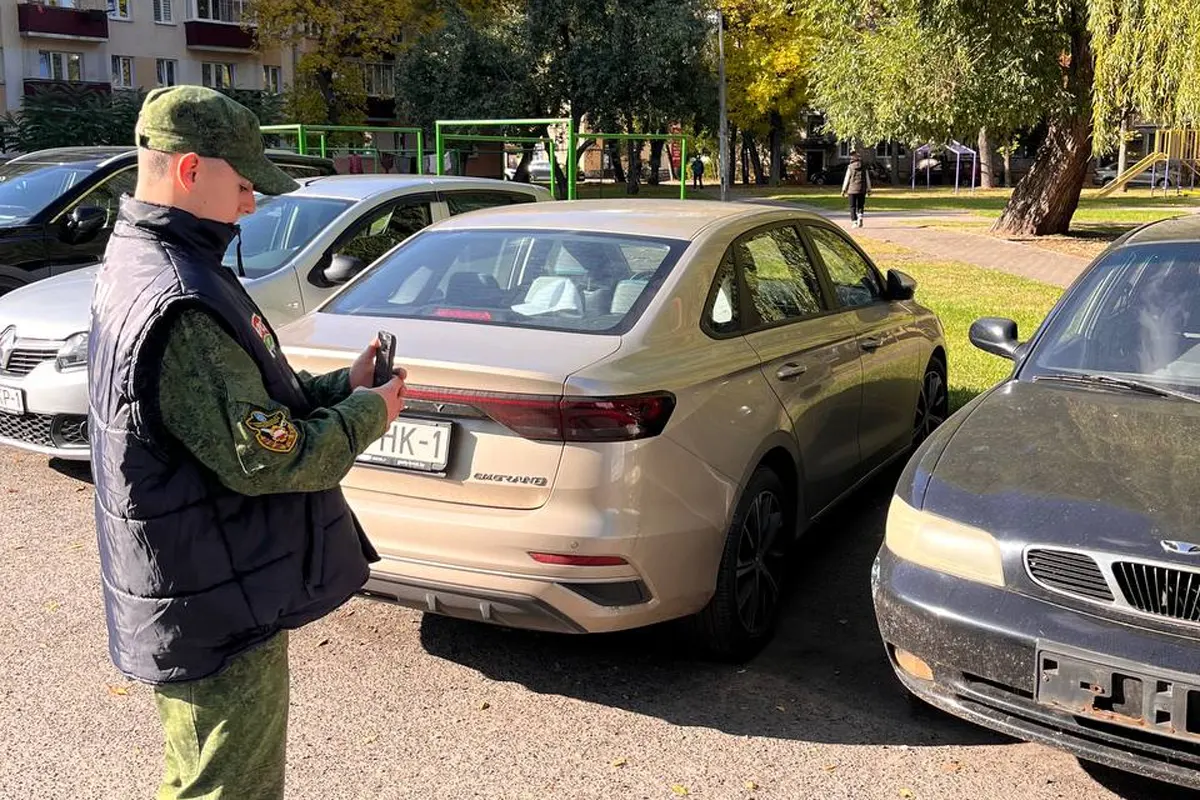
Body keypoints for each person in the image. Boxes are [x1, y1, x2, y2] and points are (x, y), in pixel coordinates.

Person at [87, 85, 408, 799]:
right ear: (191, 169)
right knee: (229, 788)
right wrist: (367, 414)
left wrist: (335, 386)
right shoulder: (180, 294)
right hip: (215, 601)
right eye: (242, 184)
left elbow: (240, 408)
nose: (252, 204)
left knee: (203, 775)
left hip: (206, 581)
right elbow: (270, 457)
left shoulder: (150, 260)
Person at [841, 151, 871, 227]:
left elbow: (847, 178)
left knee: (852, 206)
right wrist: (869, 189)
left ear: (852, 158)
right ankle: (860, 217)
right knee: (860, 205)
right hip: (862, 189)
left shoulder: (850, 167)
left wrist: (843, 189)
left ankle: (854, 221)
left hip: (852, 189)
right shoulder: (864, 167)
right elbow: (867, 178)